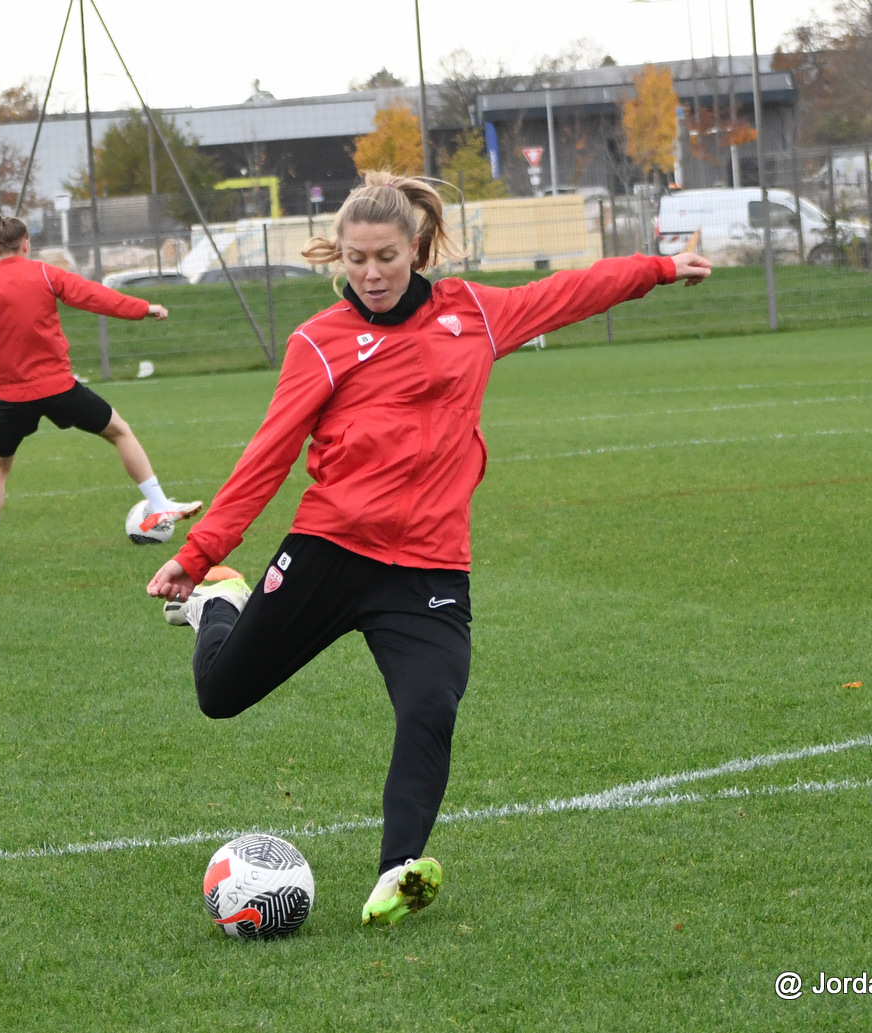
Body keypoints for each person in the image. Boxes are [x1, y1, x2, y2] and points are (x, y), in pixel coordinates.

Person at [146, 172, 713, 926]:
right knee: (219, 695)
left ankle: (398, 869)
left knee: (430, 705)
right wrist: (198, 556)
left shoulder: (474, 312)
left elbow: (574, 292)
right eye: (354, 259)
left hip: (428, 568)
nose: (370, 274)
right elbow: (268, 455)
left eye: (384, 256)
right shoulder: (318, 343)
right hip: (330, 550)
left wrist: (661, 268)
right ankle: (222, 601)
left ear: (416, 247)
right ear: (338, 257)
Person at [0, 202, 201, 564]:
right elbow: (96, 297)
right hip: (59, 389)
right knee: (119, 431)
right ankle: (159, 504)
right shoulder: (46, 274)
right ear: (26, 243)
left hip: (13, 398)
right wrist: (143, 308)